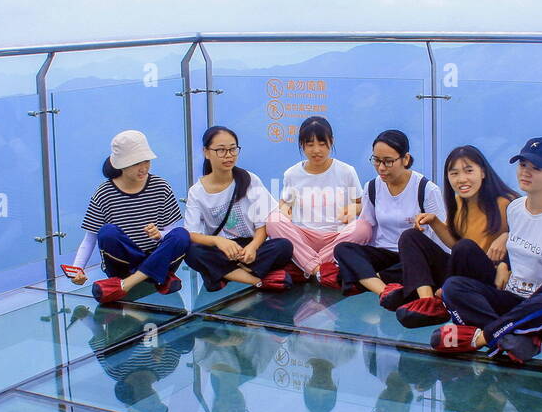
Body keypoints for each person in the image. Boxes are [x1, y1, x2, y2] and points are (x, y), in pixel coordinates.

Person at [432, 137, 542, 365]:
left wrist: (523, 309)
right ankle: (513, 339)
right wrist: (504, 265)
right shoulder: (516, 208)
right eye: (522, 166)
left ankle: (480, 338)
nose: (525, 173)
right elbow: (516, 246)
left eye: (536, 168)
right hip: (514, 299)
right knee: (454, 286)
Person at [385, 144, 519, 328]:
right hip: (460, 273)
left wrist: (506, 238)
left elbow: (531, 238)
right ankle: (429, 303)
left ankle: (432, 295)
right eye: (454, 173)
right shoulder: (458, 201)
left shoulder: (507, 202)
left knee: (465, 247)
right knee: (410, 236)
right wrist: (434, 221)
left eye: (469, 170)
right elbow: (454, 243)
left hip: (489, 281)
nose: (461, 179)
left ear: (483, 172)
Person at [70, 130, 190, 305]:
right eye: (135, 163)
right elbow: (90, 239)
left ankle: (126, 284)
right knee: (107, 232)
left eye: (146, 161)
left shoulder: (161, 187)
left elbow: (170, 232)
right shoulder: (104, 193)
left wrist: (159, 235)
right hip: (124, 263)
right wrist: (77, 269)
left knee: (181, 234)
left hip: (156, 254)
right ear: (120, 165)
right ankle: (159, 277)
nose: (144, 168)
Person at [332, 129, 447, 297]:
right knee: (343, 249)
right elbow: (367, 227)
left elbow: (440, 238)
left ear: (405, 159)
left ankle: (364, 281)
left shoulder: (426, 189)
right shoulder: (372, 187)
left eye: (388, 162)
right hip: (384, 254)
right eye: (376, 161)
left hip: (414, 257)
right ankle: (384, 289)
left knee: (418, 265)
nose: (381, 168)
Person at [184, 126, 295, 292]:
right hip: (222, 249)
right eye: (221, 150)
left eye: (232, 149)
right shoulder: (197, 191)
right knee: (192, 252)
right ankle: (256, 280)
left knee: (284, 246)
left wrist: (253, 247)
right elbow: (191, 234)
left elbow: (262, 223)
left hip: (249, 248)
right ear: (206, 152)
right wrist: (218, 241)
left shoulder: (249, 179)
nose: (228, 155)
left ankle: (223, 273)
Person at [265, 115, 372, 283]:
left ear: (332, 141)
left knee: (363, 228)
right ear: (302, 145)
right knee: (273, 220)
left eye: (322, 144)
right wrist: (284, 209)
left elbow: (361, 204)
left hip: (336, 236)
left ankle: (306, 267)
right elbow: (285, 203)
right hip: (304, 237)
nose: (316, 150)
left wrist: (353, 209)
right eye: (310, 144)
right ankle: (318, 269)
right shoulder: (292, 174)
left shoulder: (346, 171)